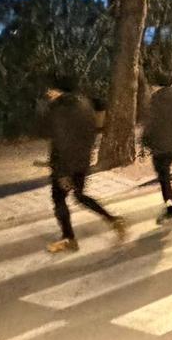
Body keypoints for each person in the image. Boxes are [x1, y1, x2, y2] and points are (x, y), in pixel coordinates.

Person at [39, 75, 127, 253]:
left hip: (65, 164)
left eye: (51, 89)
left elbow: (61, 140)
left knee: (59, 200)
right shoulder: (86, 105)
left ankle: (68, 238)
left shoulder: (61, 108)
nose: (48, 93)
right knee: (79, 195)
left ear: (59, 90)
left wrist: (62, 171)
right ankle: (113, 219)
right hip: (82, 161)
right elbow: (92, 131)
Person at [142, 83, 172, 226]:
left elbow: (151, 123)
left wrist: (145, 141)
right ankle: (170, 207)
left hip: (160, 146)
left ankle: (171, 211)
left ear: (155, 85)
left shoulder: (156, 99)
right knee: (165, 176)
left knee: (164, 178)